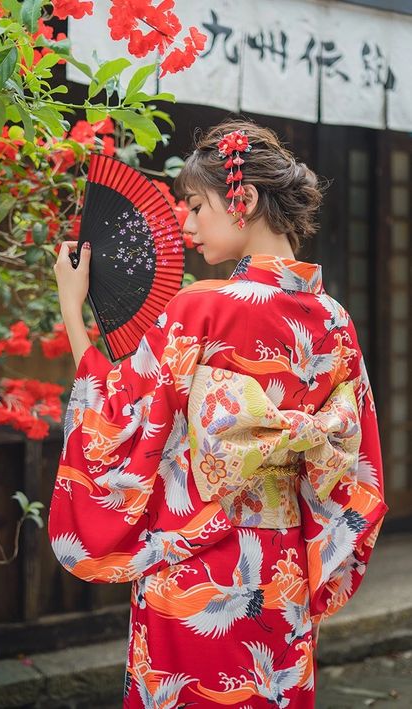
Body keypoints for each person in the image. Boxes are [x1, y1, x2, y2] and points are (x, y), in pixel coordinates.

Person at [49, 119, 388, 708]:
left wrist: (73, 310)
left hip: (195, 564)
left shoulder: (198, 305)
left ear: (244, 199)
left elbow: (121, 414)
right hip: (282, 572)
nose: (186, 224)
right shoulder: (335, 319)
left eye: (196, 206)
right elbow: (357, 465)